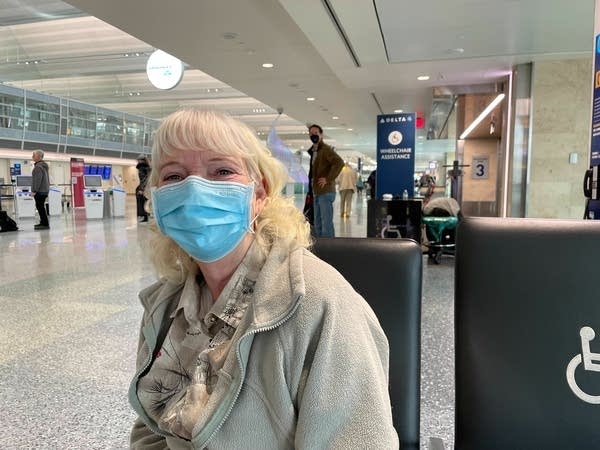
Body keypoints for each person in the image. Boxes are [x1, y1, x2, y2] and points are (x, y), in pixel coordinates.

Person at [128, 109, 398, 449]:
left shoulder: (320, 306)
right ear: (155, 198)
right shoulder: (164, 305)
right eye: (173, 176)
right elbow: (152, 426)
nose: (195, 189)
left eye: (222, 171)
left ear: (259, 193)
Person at [308, 124, 343, 237]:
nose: (313, 135)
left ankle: (329, 248)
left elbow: (339, 162)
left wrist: (328, 179)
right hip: (317, 191)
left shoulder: (326, 149)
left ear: (321, 135)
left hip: (325, 191)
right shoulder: (314, 151)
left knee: (326, 223)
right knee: (317, 222)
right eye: (311, 133)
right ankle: (320, 248)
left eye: (316, 133)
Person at [31, 149, 50, 230]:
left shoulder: (38, 167)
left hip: (40, 191)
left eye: (33, 155)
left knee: (40, 207)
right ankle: (43, 222)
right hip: (44, 190)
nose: (32, 157)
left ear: (39, 157)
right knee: (40, 206)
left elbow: (37, 180)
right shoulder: (43, 166)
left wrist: (34, 190)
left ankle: (45, 224)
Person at [135, 155, 151, 222]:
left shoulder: (142, 167)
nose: (137, 162)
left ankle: (145, 217)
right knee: (146, 201)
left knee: (142, 202)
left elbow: (144, 179)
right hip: (147, 187)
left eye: (138, 160)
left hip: (143, 187)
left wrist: (141, 189)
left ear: (141, 160)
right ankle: (146, 216)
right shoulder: (148, 167)